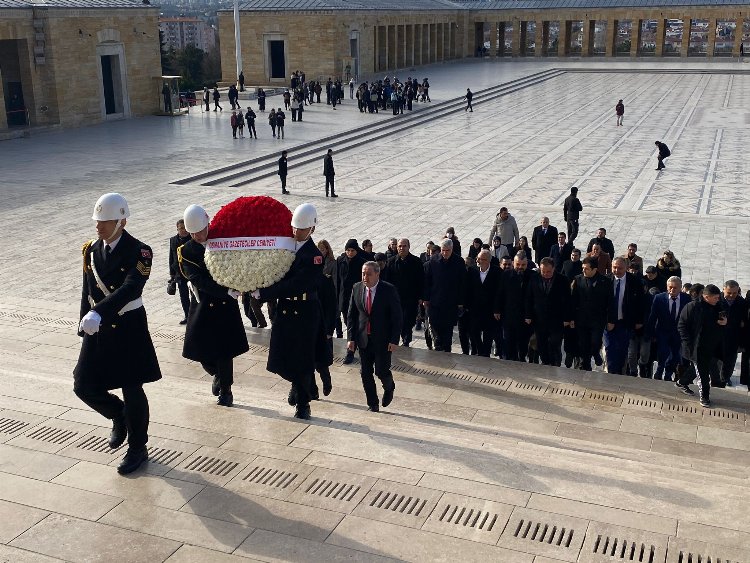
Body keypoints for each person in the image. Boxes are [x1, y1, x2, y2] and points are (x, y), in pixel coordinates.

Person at [74, 193, 161, 475]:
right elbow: (88, 289)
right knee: (83, 384)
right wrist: (83, 321)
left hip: (127, 326)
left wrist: (99, 312)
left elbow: (131, 288)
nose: (98, 226)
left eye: (105, 221)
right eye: (97, 220)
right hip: (97, 325)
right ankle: (118, 416)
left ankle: (138, 447)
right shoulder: (90, 249)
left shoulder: (140, 251)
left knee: (132, 386)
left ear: (121, 221)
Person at [253, 203, 332, 419]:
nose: (296, 232)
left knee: (303, 358)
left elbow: (296, 284)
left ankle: (303, 403)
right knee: (282, 354)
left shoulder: (315, 256)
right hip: (286, 309)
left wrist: (266, 293)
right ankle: (297, 385)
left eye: (301, 229)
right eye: (294, 228)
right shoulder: (284, 246)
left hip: (305, 311)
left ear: (312, 230)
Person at [178, 205, 249, 408]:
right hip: (204, 304)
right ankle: (217, 374)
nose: (198, 236)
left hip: (225, 306)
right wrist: (224, 291)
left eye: (200, 231)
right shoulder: (186, 251)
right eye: (193, 233)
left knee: (224, 352)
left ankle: (226, 392)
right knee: (200, 351)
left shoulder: (222, 241)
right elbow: (197, 279)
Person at [347, 262, 402, 411]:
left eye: (369, 274)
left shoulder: (388, 290)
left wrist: (394, 339)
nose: (365, 277)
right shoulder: (357, 288)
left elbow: (397, 316)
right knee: (365, 372)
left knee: (381, 371)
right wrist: (351, 338)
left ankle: (389, 387)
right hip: (363, 338)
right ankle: (373, 403)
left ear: (377, 274)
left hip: (383, 340)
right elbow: (352, 315)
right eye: (363, 273)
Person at [678, 284, 727, 407]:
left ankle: (681, 382)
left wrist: (725, 322)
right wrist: (688, 343)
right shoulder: (693, 307)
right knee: (703, 373)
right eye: (715, 297)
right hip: (697, 347)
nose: (717, 299)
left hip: (712, 346)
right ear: (706, 297)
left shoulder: (718, 306)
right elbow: (682, 326)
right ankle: (704, 397)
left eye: (718, 297)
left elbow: (724, 320)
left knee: (699, 368)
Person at [570, 256, 615, 371]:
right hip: (582, 319)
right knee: (583, 344)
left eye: (586, 269)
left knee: (595, 342)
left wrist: (610, 320)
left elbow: (610, 302)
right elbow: (573, 300)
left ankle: (595, 353)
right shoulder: (578, 280)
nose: (583, 271)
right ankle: (586, 365)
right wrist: (571, 318)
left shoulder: (605, 282)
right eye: (583, 268)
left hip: (597, 320)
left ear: (595, 269)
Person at [525, 257, 571, 366]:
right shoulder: (534, 278)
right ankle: (546, 363)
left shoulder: (562, 280)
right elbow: (529, 298)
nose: (545, 274)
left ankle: (555, 364)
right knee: (541, 345)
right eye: (543, 271)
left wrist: (567, 318)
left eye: (548, 271)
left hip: (557, 320)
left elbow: (568, 301)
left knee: (554, 344)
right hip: (539, 320)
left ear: (554, 269)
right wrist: (528, 315)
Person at [423, 239, 465, 353]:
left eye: (448, 251)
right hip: (435, 302)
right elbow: (428, 281)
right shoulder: (434, 260)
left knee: (447, 332)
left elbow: (462, 283)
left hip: (451, 303)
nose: (445, 253)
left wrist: (460, 303)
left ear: (452, 249)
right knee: (436, 331)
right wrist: (426, 298)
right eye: (443, 250)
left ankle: (446, 352)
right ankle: (438, 348)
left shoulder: (459, 262)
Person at [646, 276, 691, 381]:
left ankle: (668, 374)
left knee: (675, 355)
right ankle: (659, 371)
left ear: (680, 288)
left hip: (678, 334)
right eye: (670, 287)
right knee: (662, 353)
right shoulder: (659, 298)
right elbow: (653, 317)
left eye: (675, 288)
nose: (672, 290)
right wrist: (650, 333)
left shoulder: (686, 299)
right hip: (663, 332)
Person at [603, 257, 644, 375]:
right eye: (614, 267)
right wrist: (607, 321)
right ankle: (611, 374)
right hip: (609, 323)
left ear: (626, 268)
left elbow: (641, 303)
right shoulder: (606, 280)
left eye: (620, 268)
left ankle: (619, 373)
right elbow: (601, 304)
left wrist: (639, 321)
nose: (616, 270)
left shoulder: (635, 282)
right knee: (609, 348)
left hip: (625, 322)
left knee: (622, 350)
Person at [384, 238, 424, 347]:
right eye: (400, 246)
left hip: (411, 298)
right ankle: (397, 340)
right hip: (395, 298)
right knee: (396, 320)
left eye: (404, 246)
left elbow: (421, 280)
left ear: (409, 247)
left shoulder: (416, 262)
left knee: (408, 321)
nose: (402, 248)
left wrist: (421, 297)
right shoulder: (391, 262)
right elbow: (386, 281)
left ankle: (406, 340)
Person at [495, 252, 532, 362]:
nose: (520, 267)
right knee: (508, 340)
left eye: (523, 265)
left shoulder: (532, 276)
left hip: (525, 317)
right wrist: (496, 310)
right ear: (513, 263)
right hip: (509, 314)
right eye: (518, 264)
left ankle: (521, 358)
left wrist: (529, 314)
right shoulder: (506, 275)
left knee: (523, 342)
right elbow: (500, 293)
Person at [465, 249, 501, 357]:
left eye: (482, 259)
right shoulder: (472, 270)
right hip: (475, 309)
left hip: (490, 311)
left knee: (488, 335)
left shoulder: (497, 272)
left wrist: (497, 309)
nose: (479, 261)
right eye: (478, 258)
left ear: (488, 260)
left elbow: (499, 293)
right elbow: (468, 289)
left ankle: (485, 354)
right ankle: (480, 350)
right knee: (474, 332)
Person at [711, 280, 746, 387]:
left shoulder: (741, 302)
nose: (731, 295)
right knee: (716, 362)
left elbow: (743, 322)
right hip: (716, 338)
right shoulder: (716, 300)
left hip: (733, 338)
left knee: (729, 363)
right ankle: (715, 381)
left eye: (734, 293)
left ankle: (725, 379)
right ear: (723, 290)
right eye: (729, 293)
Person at [336, 239, 366, 361]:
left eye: (352, 250)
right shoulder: (340, 261)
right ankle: (352, 346)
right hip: (344, 298)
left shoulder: (362, 263)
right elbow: (338, 281)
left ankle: (352, 350)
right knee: (349, 324)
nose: (350, 253)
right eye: (348, 250)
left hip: (357, 299)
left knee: (357, 324)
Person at [168, 219, 191, 324]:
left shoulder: (192, 239)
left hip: (191, 273)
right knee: (184, 296)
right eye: (181, 228)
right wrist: (172, 274)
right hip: (179, 273)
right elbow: (171, 257)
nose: (184, 230)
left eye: (185, 228)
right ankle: (187, 316)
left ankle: (196, 316)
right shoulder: (173, 240)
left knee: (195, 295)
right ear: (177, 229)